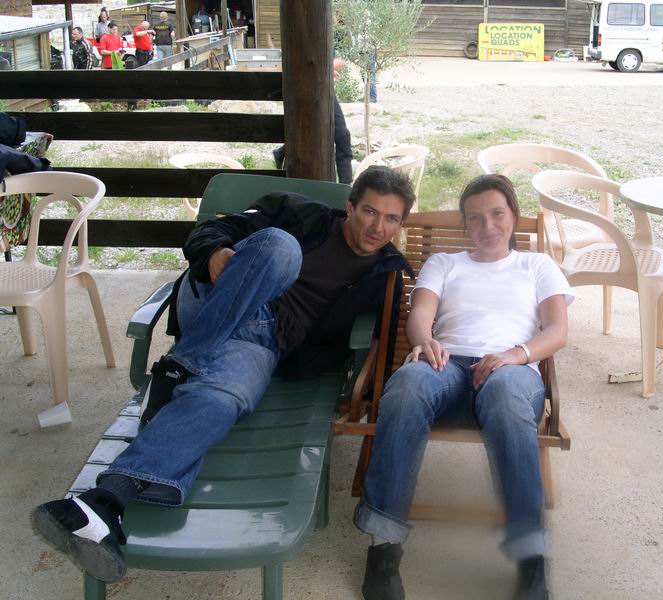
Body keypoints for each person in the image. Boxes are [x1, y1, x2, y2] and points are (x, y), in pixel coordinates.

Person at [30, 166, 415, 584]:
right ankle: (182, 363)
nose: (377, 227)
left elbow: (384, 346)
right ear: (350, 207)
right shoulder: (300, 215)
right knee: (280, 246)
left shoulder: (385, 275)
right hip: (216, 298)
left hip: (262, 342)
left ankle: (101, 504)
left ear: (401, 223)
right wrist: (213, 252)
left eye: (391, 218)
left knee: (223, 397)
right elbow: (211, 231)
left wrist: (362, 399)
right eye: (370, 212)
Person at [353, 174, 573, 600]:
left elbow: (557, 331)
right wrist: (424, 341)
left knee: (506, 397)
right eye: (475, 218)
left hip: (510, 371)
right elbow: (421, 314)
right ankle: (383, 550)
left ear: (513, 215)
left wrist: (515, 355)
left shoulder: (538, 266)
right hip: (446, 365)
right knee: (408, 385)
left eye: (497, 214)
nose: (488, 225)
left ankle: (531, 562)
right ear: (465, 223)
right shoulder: (444, 263)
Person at [273, 58, 353, 185]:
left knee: (341, 134)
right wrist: (328, 68)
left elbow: (340, 61)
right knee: (315, 131)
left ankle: (346, 184)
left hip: (322, 87)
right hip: (306, 86)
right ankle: (346, 184)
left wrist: (328, 68)